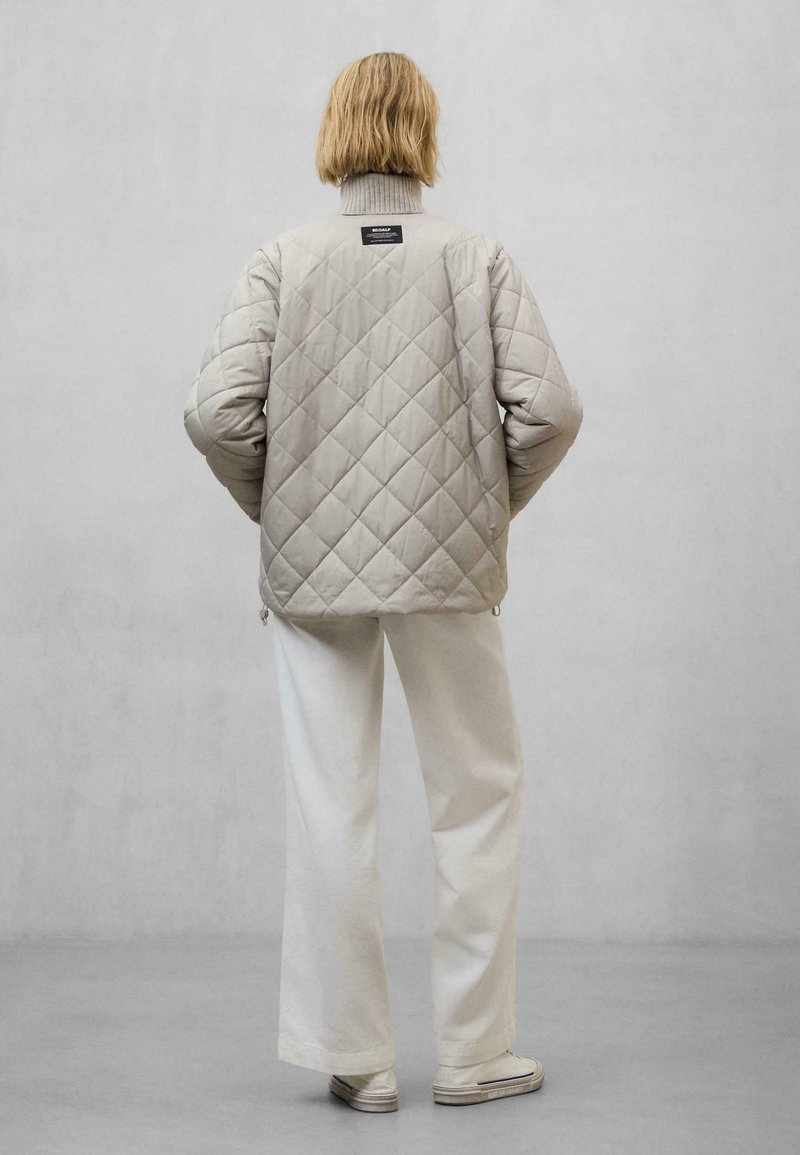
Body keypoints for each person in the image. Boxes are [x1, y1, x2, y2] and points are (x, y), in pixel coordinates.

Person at [183, 50, 583, 1113]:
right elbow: (551, 412)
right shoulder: (475, 258)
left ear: (336, 129)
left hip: (311, 574)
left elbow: (215, 414)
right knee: (477, 794)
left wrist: (281, 509)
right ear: (423, 131)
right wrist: (482, 508)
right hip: (449, 569)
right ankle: (474, 1051)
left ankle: (355, 1059)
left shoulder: (283, 259)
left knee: (330, 803)